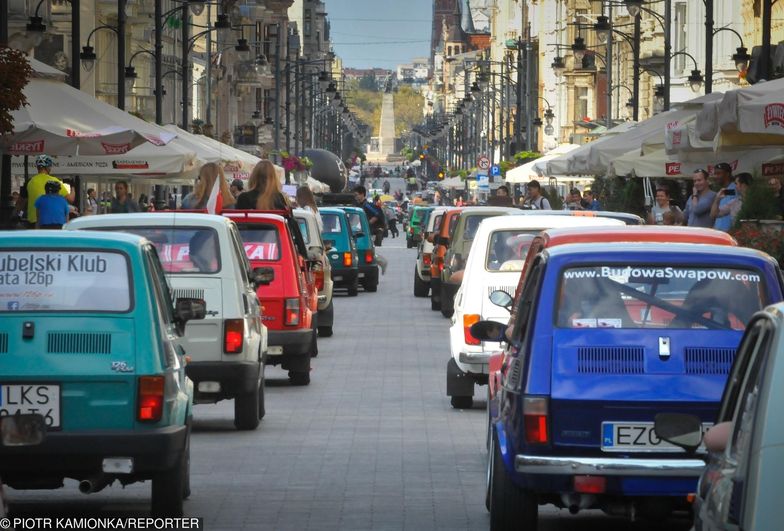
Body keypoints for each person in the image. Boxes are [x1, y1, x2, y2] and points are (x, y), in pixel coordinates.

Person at [26, 154, 74, 226]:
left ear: (37, 167)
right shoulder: (54, 181)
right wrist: (73, 187)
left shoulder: (29, 182)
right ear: (48, 167)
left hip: (33, 221)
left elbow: (21, 201)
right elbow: (71, 199)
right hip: (51, 222)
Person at [711, 162, 736, 231]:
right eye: (715, 174)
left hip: (729, 232)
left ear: (727, 174)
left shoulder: (733, 190)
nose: (716, 176)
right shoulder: (723, 190)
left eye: (719, 173)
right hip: (718, 231)